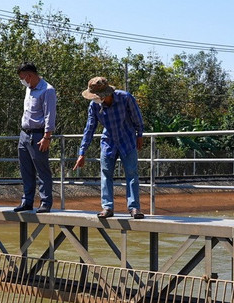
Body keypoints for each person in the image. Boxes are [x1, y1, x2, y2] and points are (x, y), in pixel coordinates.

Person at [73, 76, 145, 219]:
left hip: (127, 139)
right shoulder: (94, 105)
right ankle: (107, 207)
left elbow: (137, 117)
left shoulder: (125, 98)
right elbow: (90, 129)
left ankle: (134, 208)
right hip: (109, 141)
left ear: (105, 95)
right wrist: (82, 152)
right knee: (106, 174)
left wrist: (139, 135)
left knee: (131, 174)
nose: (94, 99)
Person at [13, 62, 56, 213]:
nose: (22, 81)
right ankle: (27, 201)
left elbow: (50, 115)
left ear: (30, 76)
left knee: (42, 170)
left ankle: (45, 202)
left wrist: (47, 137)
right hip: (24, 134)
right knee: (26, 170)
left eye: (22, 78)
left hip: (38, 135)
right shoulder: (28, 89)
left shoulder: (47, 90)